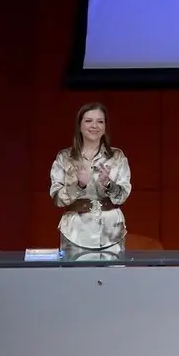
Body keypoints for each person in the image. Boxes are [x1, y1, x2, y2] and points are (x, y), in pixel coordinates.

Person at [49, 102, 133, 258]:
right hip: (75, 232)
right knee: (77, 281)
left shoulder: (117, 157)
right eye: (88, 121)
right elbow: (57, 199)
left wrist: (108, 184)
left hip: (111, 232)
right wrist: (78, 185)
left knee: (114, 280)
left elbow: (123, 196)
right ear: (79, 125)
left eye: (100, 121)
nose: (95, 126)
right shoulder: (64, 158)